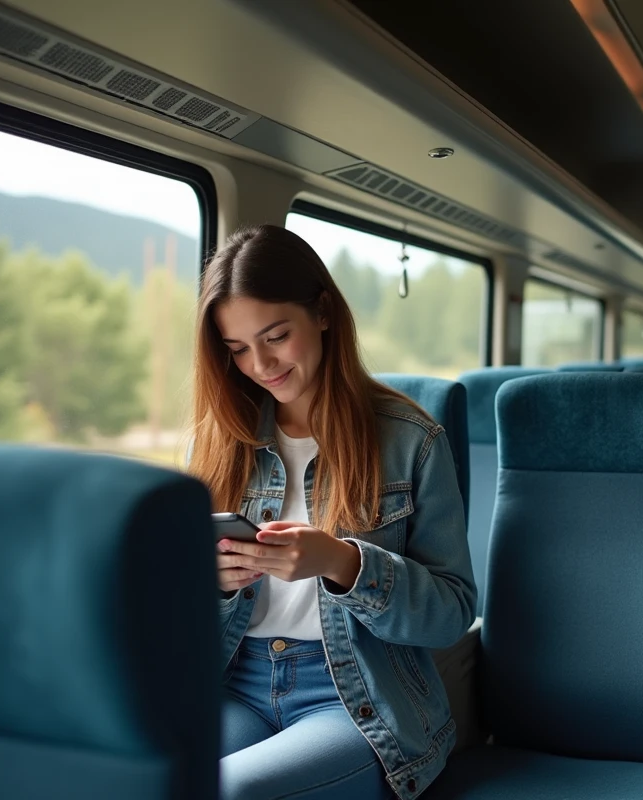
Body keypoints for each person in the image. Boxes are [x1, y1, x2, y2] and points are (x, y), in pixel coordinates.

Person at [186, 224, 476, 800]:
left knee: (234, 789)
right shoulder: (218, 441)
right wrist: (213, 586)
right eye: (238, 349)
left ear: (322, 313)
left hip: (355, 695)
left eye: (275, 336)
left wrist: (344, 564)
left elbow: (453, 613)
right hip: (236, 680)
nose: (260, 365)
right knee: (139, 769)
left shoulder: (411, 440)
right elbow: (176, 614)